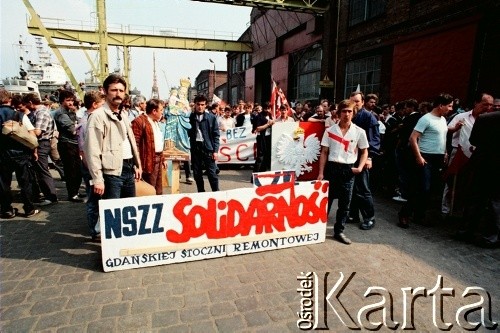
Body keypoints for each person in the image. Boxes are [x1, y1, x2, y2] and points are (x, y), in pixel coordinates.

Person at [317, 99, 368, 245]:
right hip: (332, 168)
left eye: (349, 111)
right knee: (326, 201)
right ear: (339, 113)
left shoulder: (359, 132)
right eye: (344, 111)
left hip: (348, 169)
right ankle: (319, 229)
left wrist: (360, 167)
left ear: (354, 113)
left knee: (345, 204)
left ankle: (339, 231)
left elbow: (364, 151)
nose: (346, 114)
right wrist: (321, 172)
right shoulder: (330, 131)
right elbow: (324, 152)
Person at [398, 93, 453, 228]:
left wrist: (445, 152)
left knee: (430, 190)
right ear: (441, 105)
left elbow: (442, 137)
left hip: (438, 158)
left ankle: (419, 215)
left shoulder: (442, 120)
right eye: (449, 106)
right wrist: (418, 157)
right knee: (421, 187)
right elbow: (412, 138)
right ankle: (404, 214)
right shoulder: (426, 119)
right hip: (425, 157)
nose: (451, 109)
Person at [84, 74, 142, 200]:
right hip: (111, 173)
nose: (118, 94)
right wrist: (97, 179)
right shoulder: (97, 116)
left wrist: (137, 165)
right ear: (105, 92)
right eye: (114, 90)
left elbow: (130, 142)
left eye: (121, 91)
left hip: (128, 169)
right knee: (112, 215)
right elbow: (92, 150)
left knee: (128, 211)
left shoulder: (123, 114)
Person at [461, 95, 499, 247]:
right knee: (496, 201)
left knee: (476, 198)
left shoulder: (485, 118)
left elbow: (473, 140)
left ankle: (468, 230)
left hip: (483, 163)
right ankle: (492, 236)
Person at [0, 89, 40, 218]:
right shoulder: (19, 115)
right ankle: (29, 208)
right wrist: (34, 151)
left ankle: (6, 209)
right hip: (21, 153)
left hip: (2, 154)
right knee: (24, 182)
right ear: (10, 99)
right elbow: (32, 135)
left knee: (3, 183)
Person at [348, 92, 380, 231]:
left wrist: (369, 157)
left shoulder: (368, 117)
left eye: (357, 101)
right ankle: (354, 215)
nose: (354, 104)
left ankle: (369, 218)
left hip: (363, 157)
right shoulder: (350, 116)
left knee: (363, 189)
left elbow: (374, 139)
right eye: (352, 101)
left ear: (362, 102)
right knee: (353, 189)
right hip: (350, 157)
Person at [78, 90, 105, 241]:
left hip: (96, 167)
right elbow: (85, 152)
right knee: (94, 201)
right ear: (94, 105)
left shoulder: (91, 119)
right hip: (91, 168)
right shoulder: (86, 123)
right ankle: (96, 231)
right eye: (101, 105)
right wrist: (94, 174)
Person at [24, 93, 58, 205]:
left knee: (43, 170)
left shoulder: (41, 113)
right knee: (41, 170)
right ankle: (49, 195)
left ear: (30, 102)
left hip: (42, 143)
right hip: (42, 143)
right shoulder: (41, 111)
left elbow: (38, 132)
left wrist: (26, 130)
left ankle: (51, 196)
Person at [53, 90, 84, 202]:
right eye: (68, 100)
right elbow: (73, 130)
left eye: (71, 100)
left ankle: (75, 191)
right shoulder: (61, 113)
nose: (71, 102)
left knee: (77, 170)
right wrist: (78, 125)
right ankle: (72, 194)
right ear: (62, 101)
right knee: (71, 171)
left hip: (73, 144)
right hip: (67, 144)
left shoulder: (69, 111)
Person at [132, 99, 165, 195]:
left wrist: (162, 158)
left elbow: (158, 142)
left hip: (158, 159)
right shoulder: (139, 121)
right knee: (150, 189)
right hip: (148, 161)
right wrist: (138, 165)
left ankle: (159, 207)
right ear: (154, 111)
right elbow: (135, 145)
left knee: (158, 189)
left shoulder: (155, 122)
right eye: (161, 110)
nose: (162, 113)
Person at [188, 95, 220, 192]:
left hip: (208, 148)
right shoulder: (190, 117)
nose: (200, 107)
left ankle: (216, 194)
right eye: (198, 104)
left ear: (206, 105)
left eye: (202, 105)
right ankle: (201, 193)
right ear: (195, 105)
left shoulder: (211, 118)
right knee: (197, 174)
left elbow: (216, 135)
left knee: (212, 174)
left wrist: (215, 151)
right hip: (195, 148)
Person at [252, 102, 275, 174]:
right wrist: (268, 124)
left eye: (269, 108)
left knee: (267, 155)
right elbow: (258, 128)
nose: (267, 110)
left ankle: (263, 173)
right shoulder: (259, 116)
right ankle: (255, 174)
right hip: (261, 138)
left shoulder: (271, 115)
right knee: (260, 156)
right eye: (266, 108)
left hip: (269, 137)